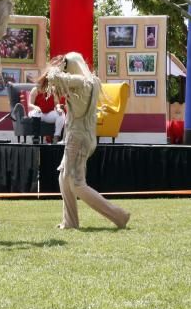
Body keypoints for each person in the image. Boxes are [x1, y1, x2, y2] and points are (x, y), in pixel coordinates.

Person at [37, 52, 130, 230]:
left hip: (77, 137)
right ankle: (70, 221)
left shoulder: (80, 82)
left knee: (77, 183)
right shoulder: (93, 81)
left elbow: (54, 77)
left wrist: (57, 67)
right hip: (85, 136)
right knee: (64, 178)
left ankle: (119, 215)